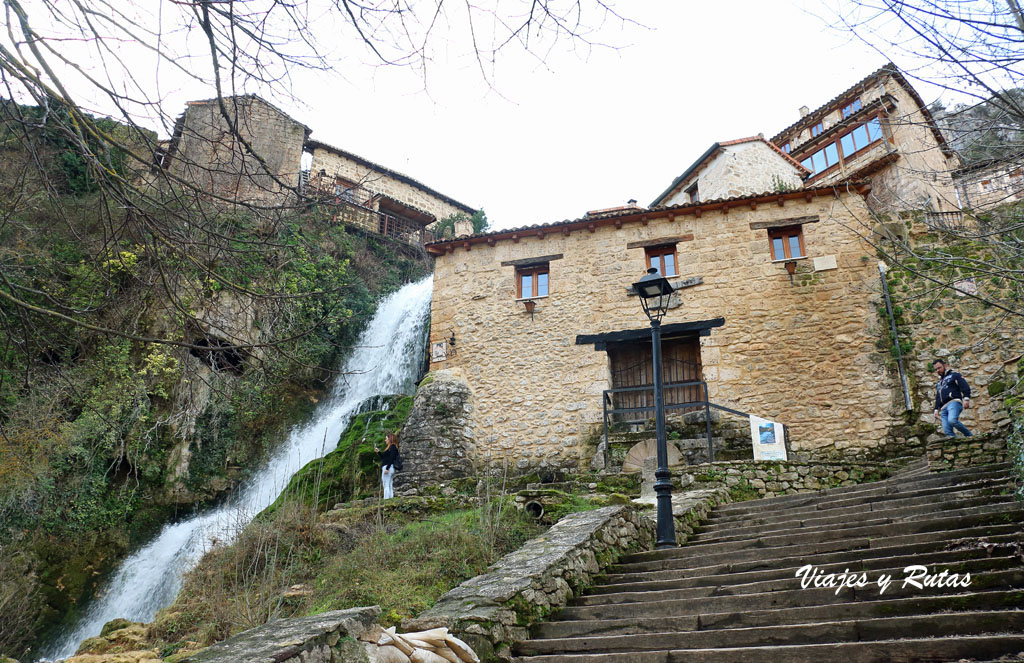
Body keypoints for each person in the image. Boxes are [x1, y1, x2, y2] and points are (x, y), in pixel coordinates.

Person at [932, 359, 973, 438]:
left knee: (952, 421)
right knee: (947, 431)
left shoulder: (954, 375)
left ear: (945, 365)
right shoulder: (939, 382)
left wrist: (966, 398)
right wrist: (936, 409)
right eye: (936, 369)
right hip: (943, 408)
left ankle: (969, 435)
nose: (938, 370)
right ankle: (956, 447)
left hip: (953, 402)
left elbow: (964, 385)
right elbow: (938, 396)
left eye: (939, 368)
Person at [374, 433, 401, 499]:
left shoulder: (392, 447)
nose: (385, 440)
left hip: (388, 467)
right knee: (389, 484)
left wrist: (387, 468)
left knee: (386, 484)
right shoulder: (392, 447)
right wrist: (379, 452)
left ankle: (386, 499)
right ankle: (390, 498)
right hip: (390, 467)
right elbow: (384, 458)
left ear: (390, 439)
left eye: (386, 439)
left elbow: (391, 458)